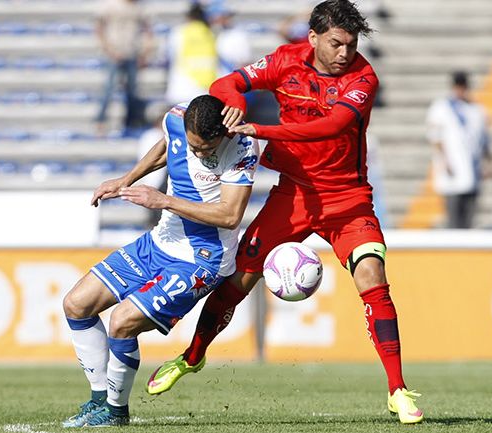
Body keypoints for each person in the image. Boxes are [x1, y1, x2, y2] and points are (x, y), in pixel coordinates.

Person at [146, 0, 424, 424]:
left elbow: (328, 128)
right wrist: (233, 102)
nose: (345, 53)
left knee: (374, 279)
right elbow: (225, 83)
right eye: (336, 43)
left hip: (347, 200)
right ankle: (191, 357)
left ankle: (397, 389)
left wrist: (260, 129)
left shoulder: (363, 78)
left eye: (351, 44)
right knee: (238, 279)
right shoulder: (283, 61)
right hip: (292, 196)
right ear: (312, 38)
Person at [61, 95, 258, 427]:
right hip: (161, 241)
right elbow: (168, 147)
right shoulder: (175, 119)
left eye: (206, 150)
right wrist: (126, 180)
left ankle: (115, 411)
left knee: (122, 321)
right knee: (76, 304)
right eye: (194, 147)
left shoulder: (241, 146)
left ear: (222, 134)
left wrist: (164, 199)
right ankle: (98, 401)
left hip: (202, 259)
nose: (198, 155)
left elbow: (229, 215)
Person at [426, 71, 492, 229]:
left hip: (472, 169)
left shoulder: (476, 109)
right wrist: (444, 159)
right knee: (454, 215)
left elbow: (484, 139)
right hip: (451, 168)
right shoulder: (441, 107)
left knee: (469, 215)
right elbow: (435, 136)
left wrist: (488, 161)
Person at [94, 0, 153, 135]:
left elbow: (147, 29)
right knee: (109, 89)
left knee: (132, 91)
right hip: (114, 54)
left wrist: (145, 52)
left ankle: (130, 123)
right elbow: (99, 28)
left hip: (132, 53)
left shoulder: (139, 7)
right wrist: (108, 49)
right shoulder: (110, 5)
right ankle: (101, 122)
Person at [165, 3, 218, 104]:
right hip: (205, 90)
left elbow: (169, 55)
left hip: (181, 87)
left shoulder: (179, 32)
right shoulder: (211, 33)